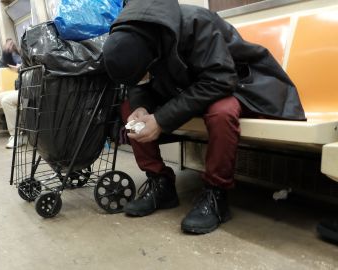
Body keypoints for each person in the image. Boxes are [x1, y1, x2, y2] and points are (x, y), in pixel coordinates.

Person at [102, 0, 306, 234]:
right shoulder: (140, 35)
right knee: (129, 109)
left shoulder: (198, 23)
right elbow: (140, 83)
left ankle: (216, 193)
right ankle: (161, 184)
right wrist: (140, 107)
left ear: (152, 54)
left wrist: (161, 120)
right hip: (186, 88)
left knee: (223, 111)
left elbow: (220, 79)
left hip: (236, 84)